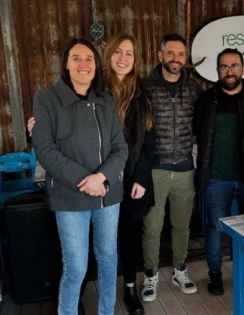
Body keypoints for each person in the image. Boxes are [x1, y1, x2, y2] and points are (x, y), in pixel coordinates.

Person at [28, 33, 155, 315]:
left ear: (96, 66)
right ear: (66, 64)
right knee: (76, 266)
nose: (83, 64)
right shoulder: (46, 99)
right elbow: (45, 150)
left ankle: (106, 311)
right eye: (76, 58)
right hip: (69, 198)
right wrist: (86, 181)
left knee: (109, 259)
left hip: (107, 196)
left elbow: (120, 149)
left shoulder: (105, 101)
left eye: (89, 59)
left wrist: (102, 178)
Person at [193, 48, 244, 296]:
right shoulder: (206, 100)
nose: (229, 71)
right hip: (216, 177)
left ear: (243, 69)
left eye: (234, 66)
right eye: (224, 66)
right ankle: (214, 272)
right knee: (215, 227)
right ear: (217, 71)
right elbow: (198, 136)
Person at [140, 33, 204, 302]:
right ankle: (151, 275)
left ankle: (180, 269)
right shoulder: (144, 87)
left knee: (181, 225)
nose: (175, 58)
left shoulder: (194, 89)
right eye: (170, 53)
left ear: (184, 58)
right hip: (155, 168)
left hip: (185, 168)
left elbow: (202, 125)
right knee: (152, 226)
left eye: (180, 54)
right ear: (160, 55)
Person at [102, 33, 155, 315]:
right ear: (109, 55)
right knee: (103, 240)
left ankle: (131, 289)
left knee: (130, 236)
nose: (123, 58)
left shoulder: (140, 91)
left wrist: (141, 179)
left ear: (135, 60)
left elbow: (149, 139)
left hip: (134, 177)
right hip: (103, 178)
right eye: (118, 52)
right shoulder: (96, 89)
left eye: (130, 53)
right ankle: (104, 290)